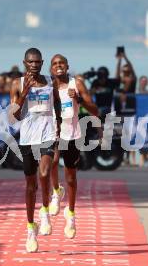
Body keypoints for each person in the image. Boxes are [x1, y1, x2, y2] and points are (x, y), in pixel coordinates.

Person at [9, 48, 60, 253]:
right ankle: (31, 229)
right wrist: (24, 94)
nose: (34, 65)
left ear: (42, 63)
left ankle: (45, 212)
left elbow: (57, 105)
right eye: (31, 62)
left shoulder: (50, 82)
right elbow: (13, 117)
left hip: (47, 135)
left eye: (38, 62)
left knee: (45, 173)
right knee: (31, 187)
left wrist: (60, 126)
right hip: (27, 138)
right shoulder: (18, 84)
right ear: (24, 63)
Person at [48, 54, 99, 239]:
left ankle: (70, 215)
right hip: (53, 133)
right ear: (51, 69)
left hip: (72, 135)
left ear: (67, 66)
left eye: (61, 63)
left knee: (71, 177)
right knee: (52, 162)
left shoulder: (76, 84)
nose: (58, 66)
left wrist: (79, 99)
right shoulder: (48, 86)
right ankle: (56, 192)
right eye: (55, 64)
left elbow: (95, 110)